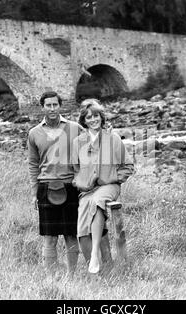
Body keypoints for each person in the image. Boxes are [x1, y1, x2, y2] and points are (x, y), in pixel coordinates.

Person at [72, 99, 135, 274]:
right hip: (88, 191)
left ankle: (94, 254)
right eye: (89, 117)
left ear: (102, 117)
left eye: (96, 116)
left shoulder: (112, 139)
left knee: (98, 201)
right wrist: (80, 183)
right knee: (82, 231)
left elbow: (128, 166)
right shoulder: (78, 142)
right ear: (83, 121)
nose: (93, 120)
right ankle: (96, 272)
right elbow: (75, 171)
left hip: (109, 187)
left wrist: (113, 178)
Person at [27, 91, 81, 275]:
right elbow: (33, 164)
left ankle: (71, 276)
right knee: (49, 237)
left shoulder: (75, 128)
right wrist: (34, 192)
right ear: (42, 107)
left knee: (71, 235)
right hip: (45, 186)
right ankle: (51, 279)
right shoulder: (34, 133)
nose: (52, 109)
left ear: (60, 106)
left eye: (55, 105)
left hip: (71, 186)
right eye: (48, 105)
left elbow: (87, 154)